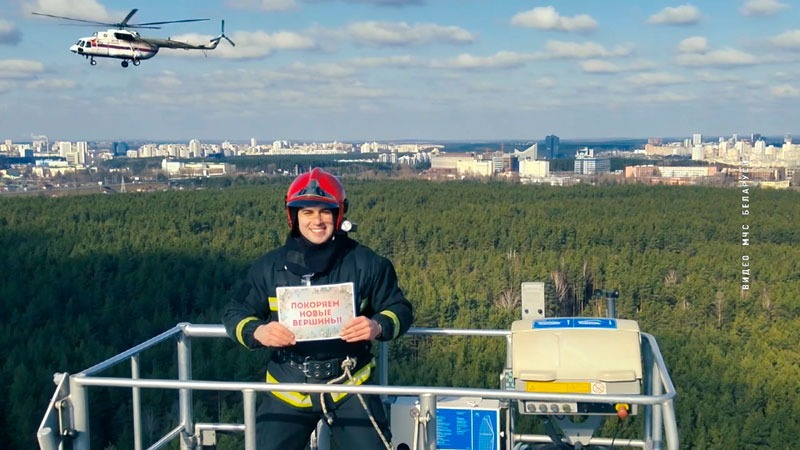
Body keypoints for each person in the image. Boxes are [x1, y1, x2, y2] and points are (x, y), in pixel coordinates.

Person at [223, 168, 413, 450]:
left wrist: (378, 326)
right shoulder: (270, 267)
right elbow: (234, 312)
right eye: (307, 212)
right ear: (293, 216)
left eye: (325, 211)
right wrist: (258, 331)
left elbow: (400, 309)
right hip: (287, 387)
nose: (317, 220)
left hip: (350, 384)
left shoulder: (366, 263)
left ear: (340, 215)